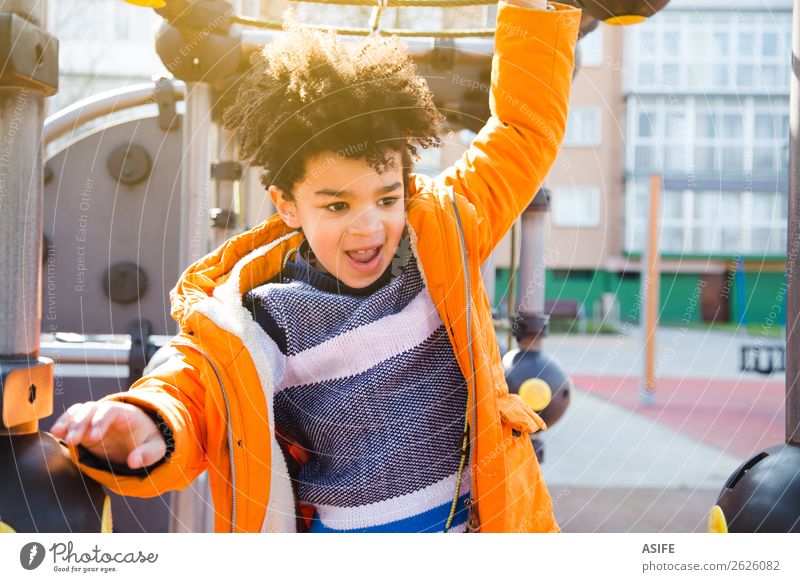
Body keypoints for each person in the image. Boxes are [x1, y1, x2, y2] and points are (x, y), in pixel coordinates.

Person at [51, 0, 580, 533]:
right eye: (336, 206)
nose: (368, 228)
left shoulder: (441, 234)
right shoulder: (262, 314)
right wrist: (148, 418)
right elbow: (194, 386)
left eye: (386, 198)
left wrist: (537, 11)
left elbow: (522, 131)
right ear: (286, 204)